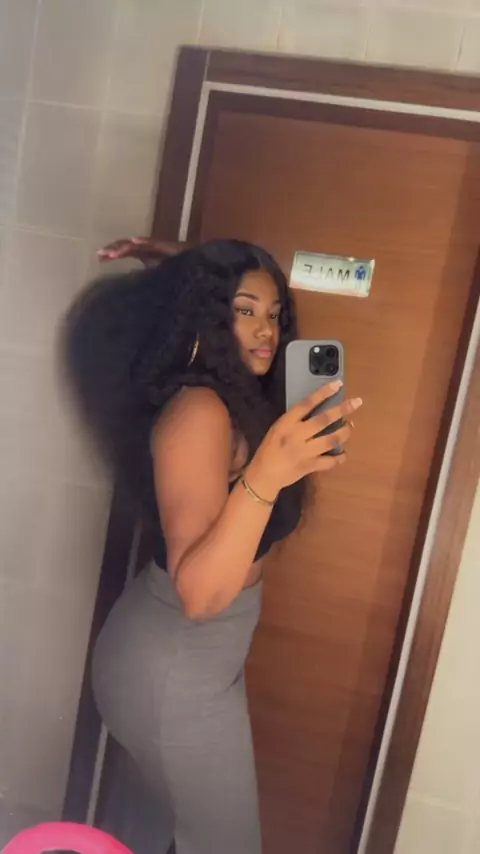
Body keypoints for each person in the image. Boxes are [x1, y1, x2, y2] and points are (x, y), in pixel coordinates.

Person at [64, 237, 362, 854]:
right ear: (207, 314)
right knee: (228, 844)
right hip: (175, 664)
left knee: (189, 830)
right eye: (244, 310)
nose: (266, 330)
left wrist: (178, 260)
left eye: (274, 313)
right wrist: (269, 475)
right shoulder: (198, 412)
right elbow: (199, 597)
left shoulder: (239, 396)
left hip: (200, 658)